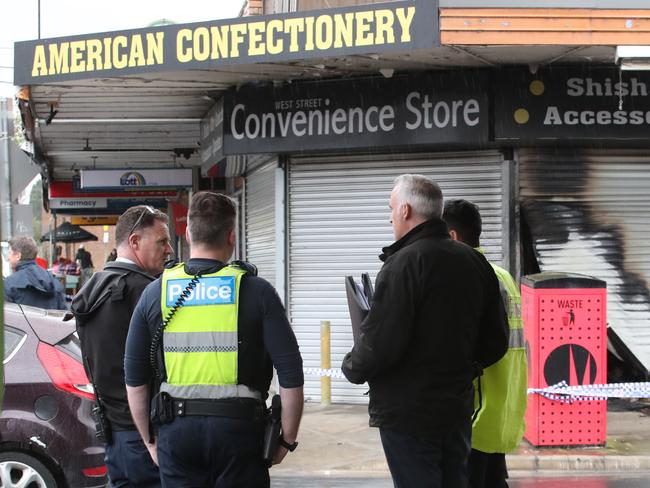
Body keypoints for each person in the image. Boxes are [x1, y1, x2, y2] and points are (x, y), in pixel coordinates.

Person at [125, 191, 304, 487]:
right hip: (240, 433)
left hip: (176, 432)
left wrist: (149, 440)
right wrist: (287, 438)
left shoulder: (155, 292)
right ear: (232, 236)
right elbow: (291, 373)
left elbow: (134, 379)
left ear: (187, 233)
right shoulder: (258, 292)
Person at [341, 174, 509, 488]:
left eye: (391, 207)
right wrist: (462, 369)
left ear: (405, 210)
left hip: (408, 414)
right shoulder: (475, 262)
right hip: (455, 408)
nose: (389, 215)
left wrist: (351, 366)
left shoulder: (403, 264)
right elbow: (496, 341)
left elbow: (380, 343)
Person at [71, 205, 173, 487]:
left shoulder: (93, 288)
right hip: (149, 435)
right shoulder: (148, 293)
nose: (169, 251)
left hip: (114, 434)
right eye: (162, 241)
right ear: (135, 242)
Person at [443, 199, 527, 488]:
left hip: (478, 413)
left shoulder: (468, 276)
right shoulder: (503, 276)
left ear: (452, 236)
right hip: (504, 409)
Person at [4, 236, 66, 310]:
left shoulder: (9, 283)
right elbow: (63, 315)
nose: (8, 258)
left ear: (18, 256)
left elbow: (7, 316)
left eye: (10, 253)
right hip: (49, 321)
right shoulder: (53, 280)